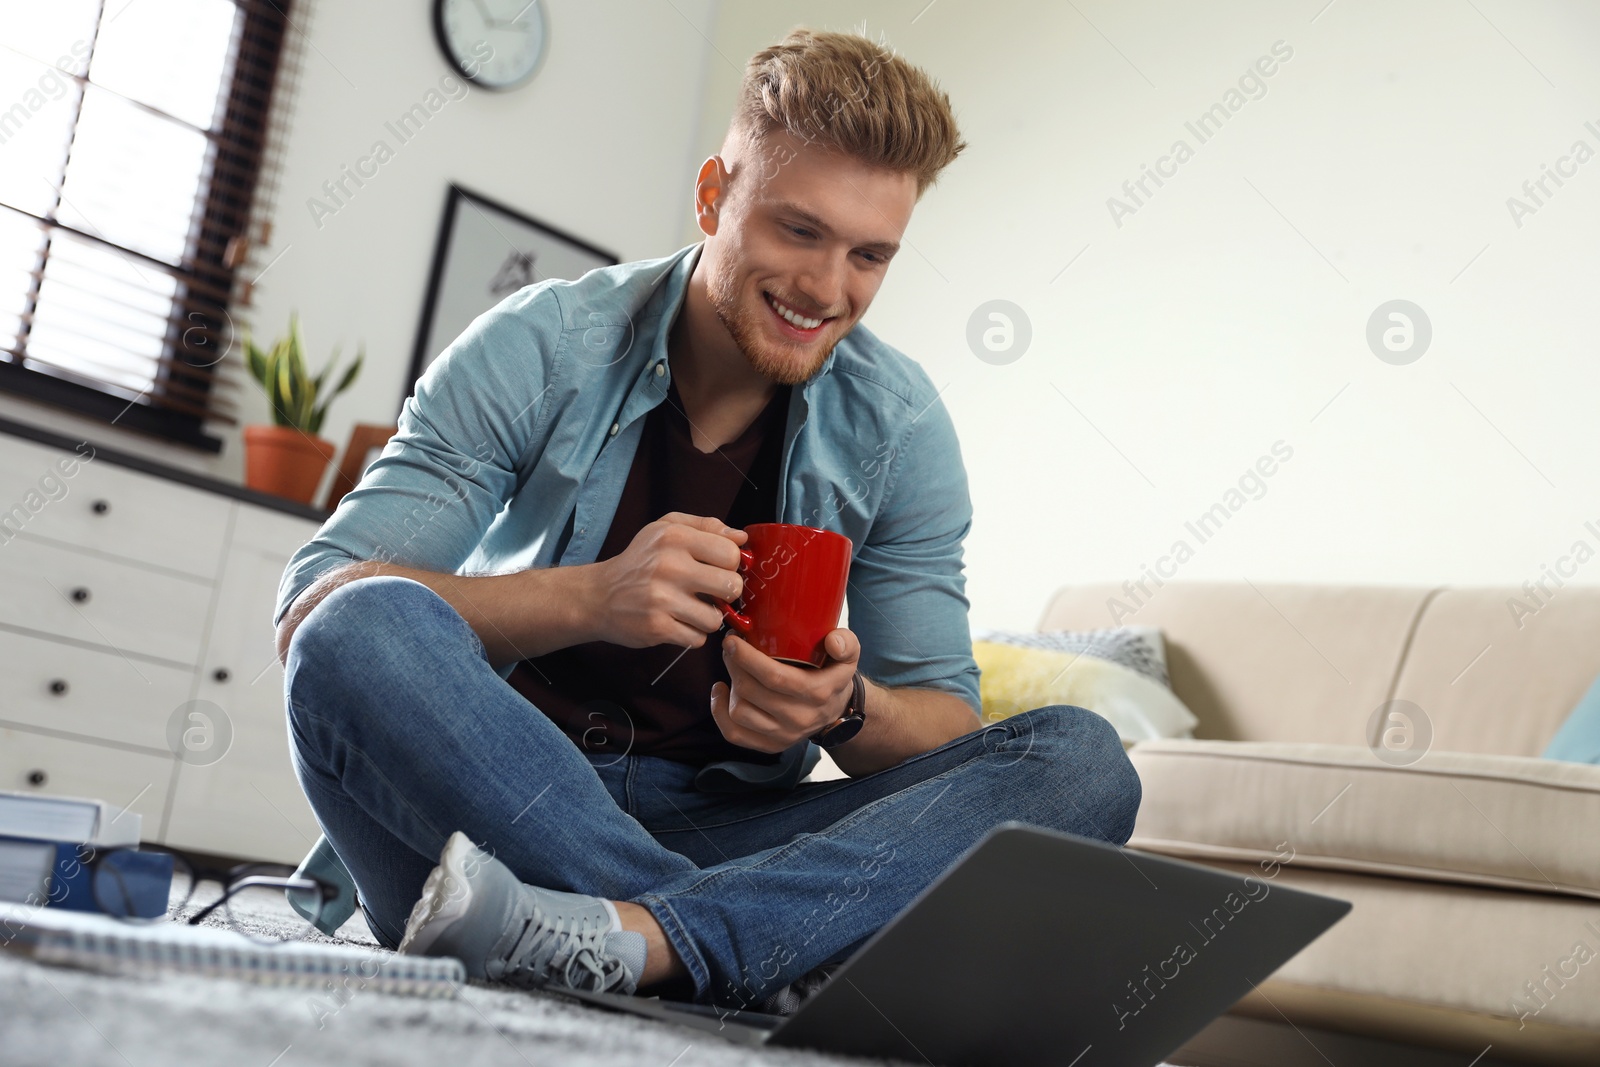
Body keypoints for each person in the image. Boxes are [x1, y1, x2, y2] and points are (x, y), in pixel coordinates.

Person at [274, 29, 1140, 1011]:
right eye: (797, 231)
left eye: (869, 255)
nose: (826, 288)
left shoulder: (898, 427)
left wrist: (842, 709)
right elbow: (314, 602)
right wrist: (588, 597)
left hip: (729, 828)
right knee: (358, 629)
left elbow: (943, 724)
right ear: (710, 197)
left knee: (1081, 762)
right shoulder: (542, 344)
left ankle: (642, 942)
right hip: (485, 811)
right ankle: (736, 944)